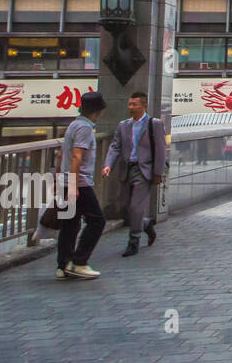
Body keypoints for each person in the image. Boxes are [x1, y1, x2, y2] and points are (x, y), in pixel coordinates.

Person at [101, 91, 167, 258]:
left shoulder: (155, 124)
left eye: (134, 104)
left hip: (144, 170)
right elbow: (115, 146)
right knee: (127, 208)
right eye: (129, 104)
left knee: (136, 207)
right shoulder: (123, 125)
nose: (130, 107)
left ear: (144, 106)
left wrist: (158, 172)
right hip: (126, 169)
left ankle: (133, 242)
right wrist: (108, 165)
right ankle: (146, 225)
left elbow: (161, 150)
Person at [56, 91, 108, 280]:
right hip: (79, 182)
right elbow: (77, 156)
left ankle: (63, 265)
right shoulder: (85, 128)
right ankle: (79, 262)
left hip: (66, 180)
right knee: (97, 220)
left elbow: (62, 155)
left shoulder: (73, 124)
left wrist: (59, 180)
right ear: (97, 111)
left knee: (69, 223)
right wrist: (74, 185)